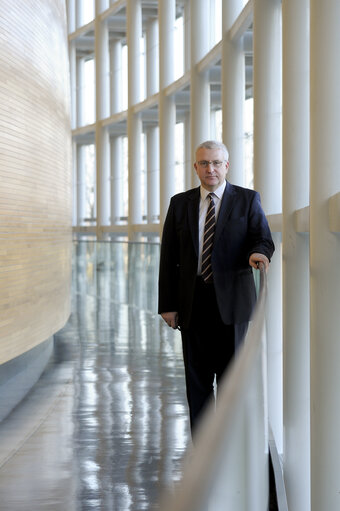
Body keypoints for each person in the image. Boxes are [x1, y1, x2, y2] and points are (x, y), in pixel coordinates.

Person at [158, 140, 275, 434]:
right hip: (192, 301)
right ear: (196, 167)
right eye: (204, 163)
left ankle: (228, 444)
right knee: (196, 379)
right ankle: (202, 448)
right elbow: (168, 256)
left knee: (230, 377)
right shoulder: (180, 203)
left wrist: (258, 253)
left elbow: (263, 238)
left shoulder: (247, 200)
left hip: (233, 303)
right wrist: (167, 305)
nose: (211, 169)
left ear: (227, 166)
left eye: (216, 163)